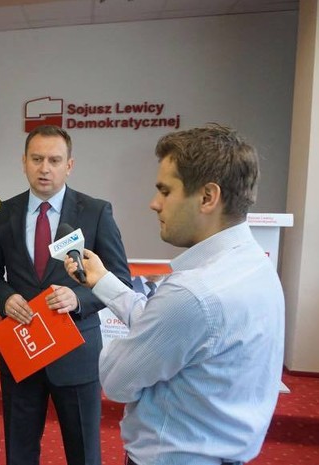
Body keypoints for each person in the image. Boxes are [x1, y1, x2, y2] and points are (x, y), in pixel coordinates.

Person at [65, 124, 285, 465]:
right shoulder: (255, 265)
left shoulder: (191, 294)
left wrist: (115, 343)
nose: (154, 204)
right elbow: (174, 332)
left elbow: (117, 381)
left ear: (208, 197)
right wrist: (103, 281)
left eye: (165, 191)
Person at [0, 124, 131, 465]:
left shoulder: (95, 212)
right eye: (36, 159)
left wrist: (79, 300)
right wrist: (5, 299)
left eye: (54, 160)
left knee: (84, 454)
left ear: (69, 165)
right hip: (23, 348)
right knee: (19, 452)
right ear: (24, 162)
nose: (44, 168)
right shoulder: (4, 214)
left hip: (76, 352)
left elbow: (120, 279)